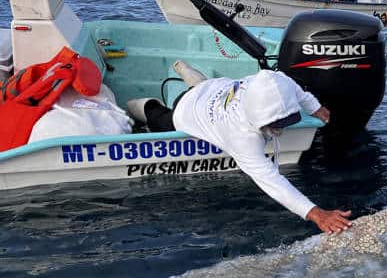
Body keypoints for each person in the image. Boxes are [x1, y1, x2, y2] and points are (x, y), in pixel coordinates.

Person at [126, 63, 352, 234]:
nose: (281, 128)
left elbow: (294, 89)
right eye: (276, 124)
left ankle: (189, 75)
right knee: (159, 117)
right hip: (188, 111)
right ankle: (138, 104)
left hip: (212, 90)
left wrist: (315, 107)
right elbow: (272, 182)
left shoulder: (272, 81)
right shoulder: (240, 136)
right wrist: (316, 214)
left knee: (200, 87)